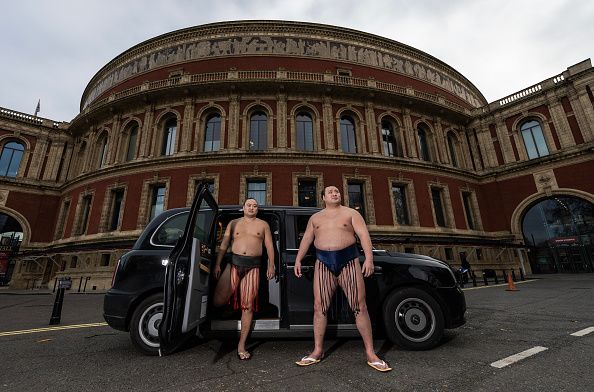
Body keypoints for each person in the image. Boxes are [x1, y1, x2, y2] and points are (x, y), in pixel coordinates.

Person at [293, 185, 392, 372]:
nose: (334, 193)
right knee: (319, 307)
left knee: (359, 306)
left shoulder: (351, 214)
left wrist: (369, 259)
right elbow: (307, 239)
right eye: (330, 191)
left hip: (348, 260)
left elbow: (363, 235)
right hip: (322, 261)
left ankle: (371, 353)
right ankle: (317, 350)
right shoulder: (315, 218)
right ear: (323, 197)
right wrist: (298, 259)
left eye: (337, 191)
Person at [213, 198, 275, 360]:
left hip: (253, 267)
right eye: (249, 205)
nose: (252, 207)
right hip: (233, 264)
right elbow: (224, 244)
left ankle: (241, 345)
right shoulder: (234, 223)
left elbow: (269, 246)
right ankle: (226, 315)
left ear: (257, 209)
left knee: (247, 306)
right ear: (243, 207)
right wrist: (218, 264)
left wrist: (271, 265)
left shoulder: (263, 225)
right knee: (217, 301)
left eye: (255, 206)